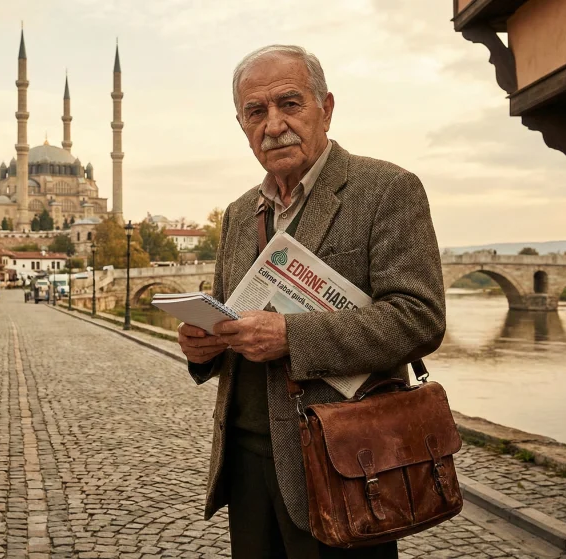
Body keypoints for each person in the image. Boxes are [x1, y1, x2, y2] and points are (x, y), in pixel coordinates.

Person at [176, 45, 446, 558]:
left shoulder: (386, 189)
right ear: (241, 124)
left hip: (344, 464)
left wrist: (290, 336)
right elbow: (226, 315)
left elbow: (420, 318)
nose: (273, 124)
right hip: (247, 463)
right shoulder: (238, 214)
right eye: (256, 112)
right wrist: (201, 346)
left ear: (326, 106)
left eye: (289, 104)